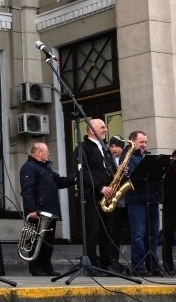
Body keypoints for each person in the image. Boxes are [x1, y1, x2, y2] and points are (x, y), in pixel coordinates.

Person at [20, 142, 76, 276]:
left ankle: (46, 266)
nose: (48, 153)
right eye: (46, 151)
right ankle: (36, 267)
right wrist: (31, 209)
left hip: (49, 212)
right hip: (37, 212)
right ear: (39, 152)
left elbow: (60, 181)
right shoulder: (29, 168)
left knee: (48, 241)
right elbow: (27, 190)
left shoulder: (46, 169)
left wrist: (76, 178)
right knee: (36, 240)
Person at [72, 118, 114, 275]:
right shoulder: (82, 148)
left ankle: (106, 263)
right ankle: (92, 265)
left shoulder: (104, 148)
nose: (106, 130)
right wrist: (99, 187)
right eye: (102, 127)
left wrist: (118, 173)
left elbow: (106, 169)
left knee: (107, 230)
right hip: (91, 195)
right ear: (91, 130)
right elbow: (81, 172)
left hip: (107, 195)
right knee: (92, 230)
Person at [125, 130, 162, 276]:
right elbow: (130, 176)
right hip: (136, 200)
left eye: (146, 142)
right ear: (133, 143)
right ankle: (138, 266)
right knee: (138, 234)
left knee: (153, 234)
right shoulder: (127, 157)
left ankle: (153, 265)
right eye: (141, 142)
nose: (144, 145)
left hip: (151, 198)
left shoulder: (149, 157)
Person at [106, 136, 130, 273]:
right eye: (112, 146)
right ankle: (113, 260)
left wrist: (127, 172)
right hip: (113, 200)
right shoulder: (108, 159)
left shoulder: (127, 159)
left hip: (126, 199)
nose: (114, 149)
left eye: (117, 146)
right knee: (113, 232)